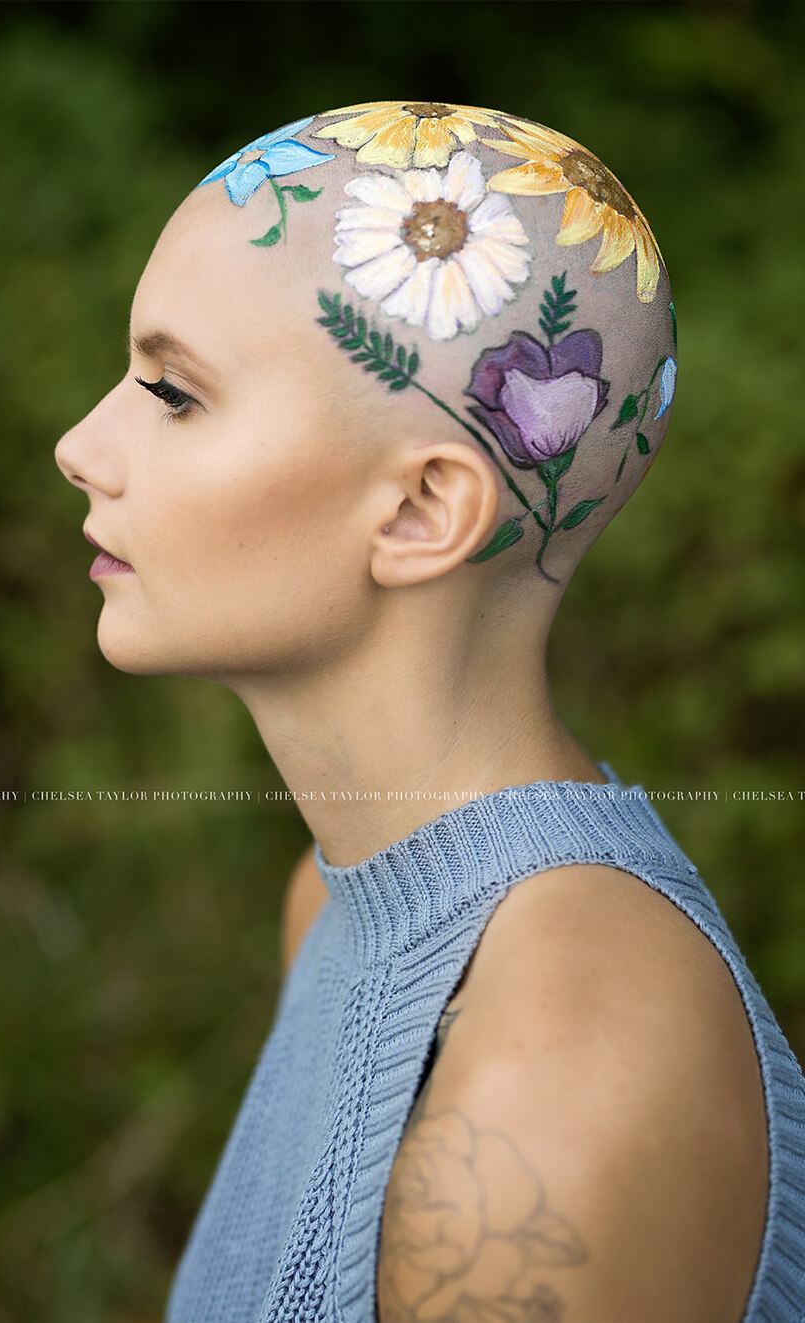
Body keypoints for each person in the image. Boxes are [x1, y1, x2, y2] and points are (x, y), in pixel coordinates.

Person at [54, 101, 805, 1323]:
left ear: (419, 512)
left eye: (172, 393)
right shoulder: (339, 899)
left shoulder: (553, 1073)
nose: (80, 444)